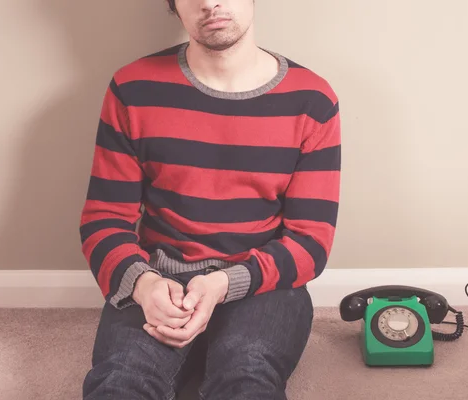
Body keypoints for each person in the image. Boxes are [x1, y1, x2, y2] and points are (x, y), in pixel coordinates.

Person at [79, 0, 341, 399]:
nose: (209, 2)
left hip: (264, 284)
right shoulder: (133, 88)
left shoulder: (313, 99)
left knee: (247, 376)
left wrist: (224, 283)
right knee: (120, 380)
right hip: (160, 278)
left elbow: (311, 241)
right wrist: (143, 284)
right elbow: (104, 219)